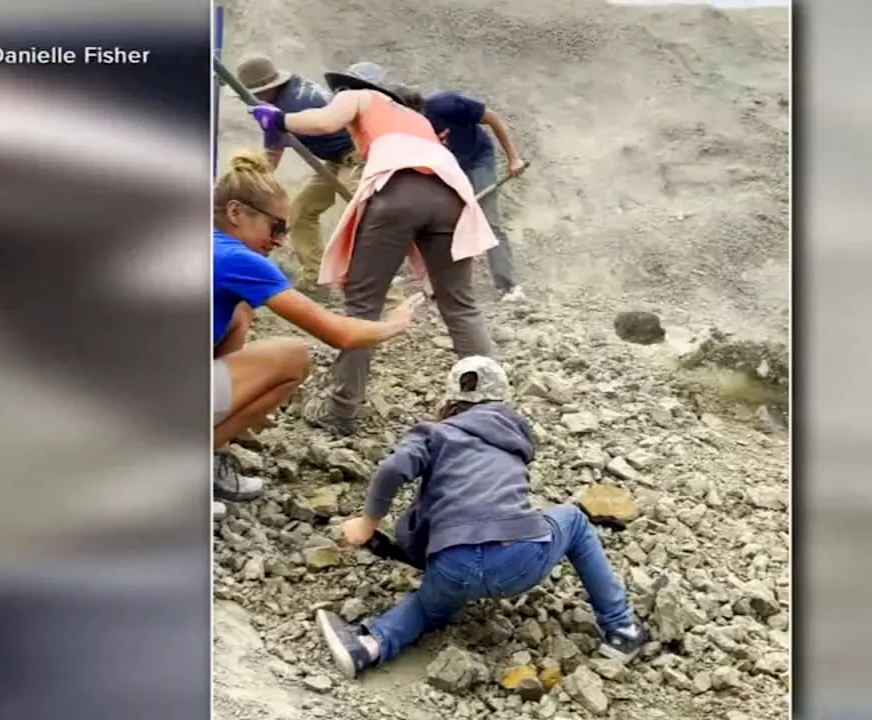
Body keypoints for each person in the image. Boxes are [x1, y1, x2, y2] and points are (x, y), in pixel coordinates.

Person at [313, 356, 648, 679]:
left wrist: (368, 523)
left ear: (451, 401)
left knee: (430, 607)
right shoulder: (513, 443)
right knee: (573, 519)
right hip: (522, 558)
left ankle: (369, 646)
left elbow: (392, 468)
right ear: (502, 402)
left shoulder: (434, 434)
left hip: (453, 568)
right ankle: (622, 630)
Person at [250, 61, 496, 438]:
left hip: (398, 192)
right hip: (452, 193)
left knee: (364, 302)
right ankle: (489, 409)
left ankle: (341, 410)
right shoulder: (417, 119)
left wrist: (279, 120)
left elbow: (320, 123)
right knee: (460, 305)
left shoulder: (359, 96)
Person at [212, 150, 425, 505]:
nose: (279, 240)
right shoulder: (236, 258)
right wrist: (394, 324)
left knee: (238, 313)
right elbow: (337, 333)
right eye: (276, 227)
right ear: (235, 212)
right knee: (292, 358)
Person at [235, 54, 362, 297]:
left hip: (357, 158)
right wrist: (257, 184)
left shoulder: (293, 103)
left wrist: (255, 185)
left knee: (366, 217)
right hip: (334, 161)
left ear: (267, 89)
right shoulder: (283, 98)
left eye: (255, 95)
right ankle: (316, 278)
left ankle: (378, 289)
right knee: (301, 211)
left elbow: (275, 147)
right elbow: (274, 149)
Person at [420, 88, 527, 302]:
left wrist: (513, 158)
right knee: (442, 222)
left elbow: (493, 119)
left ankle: (508, 286)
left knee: (489, 220)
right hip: (447, 165)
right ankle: (443, 284)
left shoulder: (446, 104)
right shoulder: (408, 126)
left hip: (478, 159)